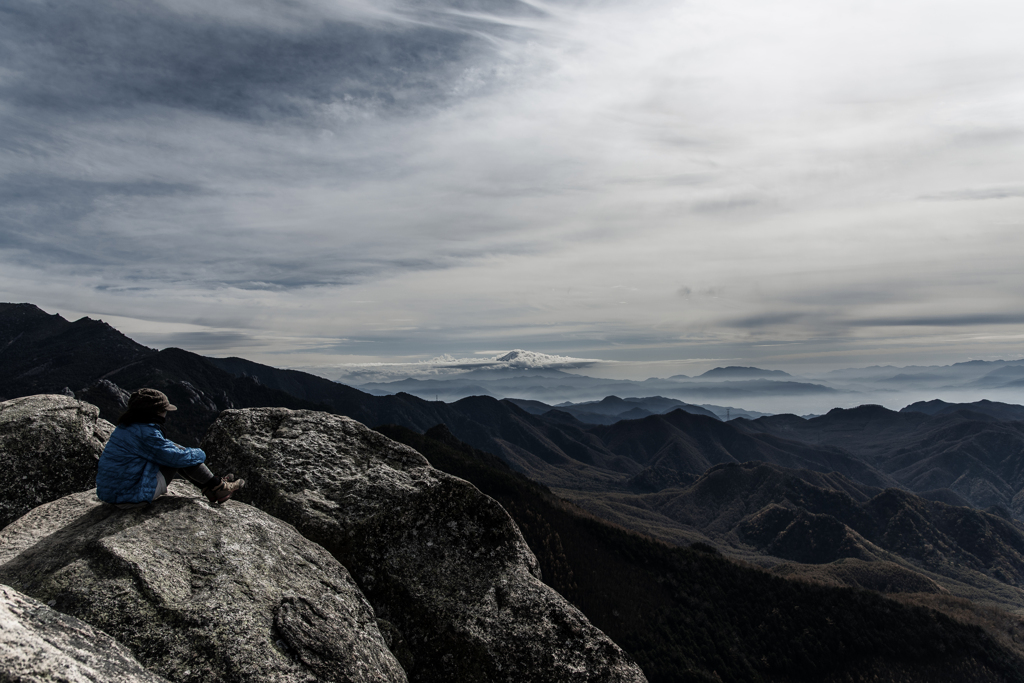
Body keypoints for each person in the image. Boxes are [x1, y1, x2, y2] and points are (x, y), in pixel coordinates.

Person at [96, 388, 244, 508]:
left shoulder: (126, 428)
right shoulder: (146, 434)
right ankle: (217, 486)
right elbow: (176, 458)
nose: (166, 414)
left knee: (172, 450)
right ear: (155, 412)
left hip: (112, 492)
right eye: (164, 409)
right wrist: (199, 452)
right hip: (129, 496)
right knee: (176, 456)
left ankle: (213, 487)